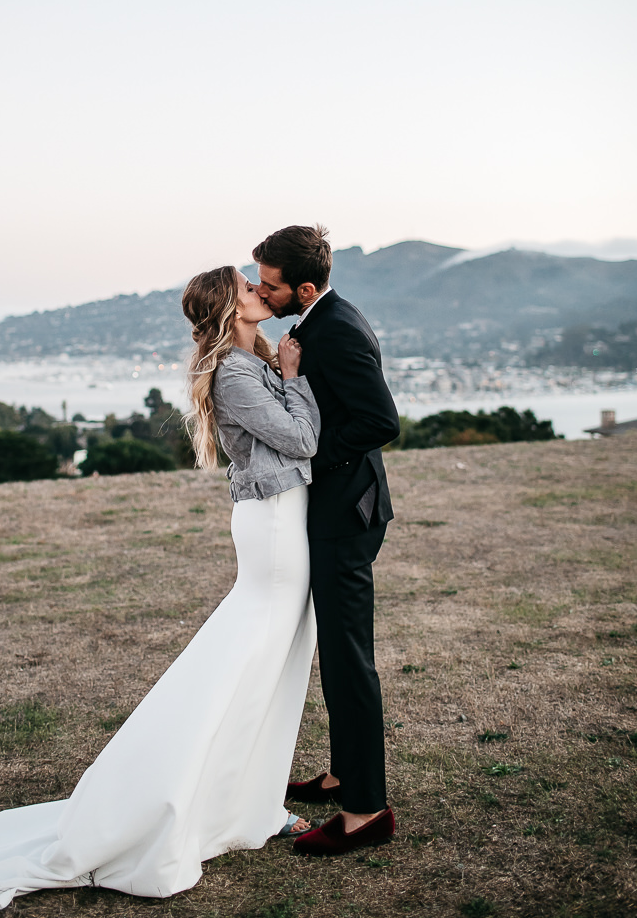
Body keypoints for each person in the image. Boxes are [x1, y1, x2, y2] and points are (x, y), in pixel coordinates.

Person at [0, 266, 321, 905]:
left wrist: (279, 373)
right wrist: (293, 378)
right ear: (230, 307)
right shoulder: (236, 372)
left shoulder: (247, 361)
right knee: (252, 666)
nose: (261, 290)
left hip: (281, 518)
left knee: (268, 669)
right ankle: (208, 800)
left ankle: (248, 803)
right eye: (247, 287)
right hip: (276, 526)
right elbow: (303, 439)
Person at [253, 224, 401, 856]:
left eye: (270, 285)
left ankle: (365, 810)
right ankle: (343, 775)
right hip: (339, 509)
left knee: (348, 659)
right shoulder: (322, 319)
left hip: (346, 515)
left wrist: (312, 455)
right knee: (338, 654)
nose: (262, 292)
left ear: (305, 289)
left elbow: (380, 421)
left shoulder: (335, 329)